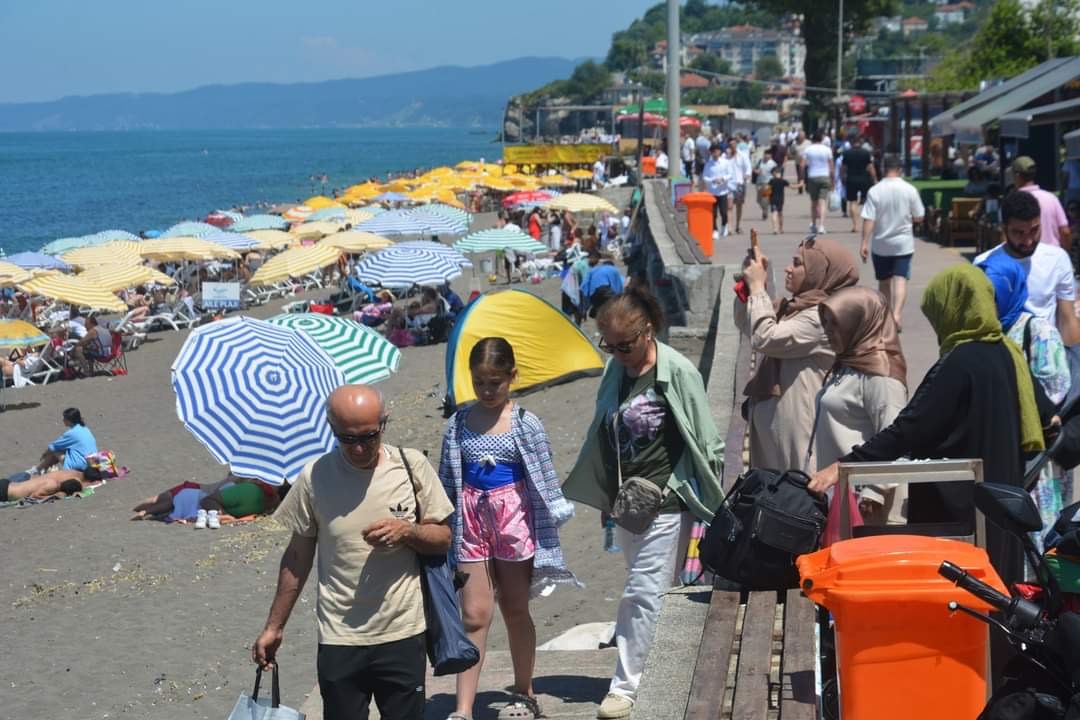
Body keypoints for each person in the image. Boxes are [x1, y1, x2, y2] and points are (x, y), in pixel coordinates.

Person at [808, 264, 1043, 589]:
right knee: (999, 596)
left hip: (963, 511)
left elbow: (909, 429)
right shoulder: (1005, 352)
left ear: (953, 308)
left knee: (967, 598)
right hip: (1002, 501)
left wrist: (846, 465)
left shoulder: (959, 364)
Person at [563, 286, 725, 720]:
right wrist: (604, 493)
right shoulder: (616, 373)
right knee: (649, 589)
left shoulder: (678, 372)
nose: (617, 353)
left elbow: (707, 441)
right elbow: (606, 434)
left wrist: (705, 498)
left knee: (641, 592)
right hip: (629, 503)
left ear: (648, 331)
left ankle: (626, 688)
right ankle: (658, 667)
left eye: (626, 345)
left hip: (670, 499)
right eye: (609, 345)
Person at [252, 385, 454, 720]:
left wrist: (409, 530)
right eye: (347, 438)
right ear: (331, 429)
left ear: (384, 424)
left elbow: (443, 537)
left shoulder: (411, 466)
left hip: (403, 631)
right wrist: (274, 626)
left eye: (368, 436)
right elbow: (297, 558)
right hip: (339, 636)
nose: (359, 447)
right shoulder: (315, 476)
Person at [439, 338, 577, 720]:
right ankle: (463, 708)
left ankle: (525, 690)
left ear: (511, 377)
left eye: (495, 382)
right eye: (480, 382)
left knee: (515, 609)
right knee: (475, 615)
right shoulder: (458, 424)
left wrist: (554, 514)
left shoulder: (525, 422)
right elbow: (447, 478)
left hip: (513, 521)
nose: (486, 390)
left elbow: (545, 475)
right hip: (471, 522)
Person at [736, 238, 858, 471]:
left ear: (819, 271)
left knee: (795, 498)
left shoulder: (821, 317)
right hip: (779, 433)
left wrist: (759, 289)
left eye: (797, 263)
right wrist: (748, 285)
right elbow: (748, 326)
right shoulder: (796, 307)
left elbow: (765, 337)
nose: (788, 268)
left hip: (801, 434)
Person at [978, 252, 1072, 547]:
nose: (986, 303)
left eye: (992, 295)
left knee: (1037, 539)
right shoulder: (981, 331)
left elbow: (1056, 391)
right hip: (999, 454)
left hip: (1038, 460)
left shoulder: (1038, 330)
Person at [812, 288, 909, 525]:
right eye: (825, 323)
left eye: (835, 324)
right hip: (841, 493)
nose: (827, 332)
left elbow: (895, 435)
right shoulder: (848, 364)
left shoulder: (881, 376)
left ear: (857, 323)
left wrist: (874, 492)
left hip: (868, 508)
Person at [975, 190, 1080, 345]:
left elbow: (1067, 319)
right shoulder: (985, 264)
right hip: (1005, 357)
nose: (1029, 240)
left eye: (1034, 230)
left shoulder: (1058, 259)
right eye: (1019, 233)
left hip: (1047, 359)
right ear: (1004, 228)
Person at [859, 154, 926, 331]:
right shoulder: (910, 190)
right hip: (903, 243)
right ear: (900, 169)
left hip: (881, 244)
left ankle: (886, 317)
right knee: (900, 279)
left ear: (883, 168)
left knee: (883, 282)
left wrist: (864, 242)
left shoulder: (875, 191)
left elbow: (869, 219)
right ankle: (897, 315)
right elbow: (919, 216)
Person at [1012, 156, 1072, 252]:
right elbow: (1065, 232)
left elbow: (1005, 237)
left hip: (1026, 259)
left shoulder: (1012, 202)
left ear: (1017, 176)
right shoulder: (1051, 198)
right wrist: (1065, 255)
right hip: (1053, 259)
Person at [32, 407, 98, 474]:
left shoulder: (71, 433)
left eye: (64, 418)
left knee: (56, 451)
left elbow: (53, 447)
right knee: (64, 449)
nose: (63, 420)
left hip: (81, 465)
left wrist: (44, 455)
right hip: (91, 462)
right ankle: (42, 468)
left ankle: (38, 469)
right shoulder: (84, 428)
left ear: (69, 420)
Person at [841, 136, 877, 234]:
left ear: (852, 143)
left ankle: (855, 225)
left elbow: (843, 167)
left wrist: (842, 178)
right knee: (866, 202)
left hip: (851, 179)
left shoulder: (847, 153)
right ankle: (866, 224)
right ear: (860, 142)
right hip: (864, 179)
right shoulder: (866, 153)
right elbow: (870, 167)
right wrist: (874, 178)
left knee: (852, 202)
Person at [801, 131, 834, 234]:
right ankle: (822, 226)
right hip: (824, 176)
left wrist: (802, 178)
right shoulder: (827, 150)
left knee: (814, 202)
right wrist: (833, 180)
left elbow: (802, 165)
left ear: (812, 139)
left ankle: (814, 224)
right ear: (822, 139)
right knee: (822, 202)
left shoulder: (808, 149)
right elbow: (831, 167)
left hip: (812, 177)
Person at [702, 142, 734, 237]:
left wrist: (723, 179)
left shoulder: (725, 162)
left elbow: (730, 174)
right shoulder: (708, 164)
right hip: (712, 192)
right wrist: (713, 180)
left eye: (717, 151)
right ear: (711, 153)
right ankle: (714, 230)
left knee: (724, 212)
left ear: (720, 152)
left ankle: (724, 225)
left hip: (723, 191)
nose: (715, 153)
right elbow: (705, 177)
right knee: (713, 213)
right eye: (713, 152)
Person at [0, 469, 86, 503]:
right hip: (6, 492)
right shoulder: (53, 486)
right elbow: (35, 495)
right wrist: (51, 497)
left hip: (8, 484)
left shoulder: (53, 481)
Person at [767, 165, 803, 234]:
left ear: (773, 173)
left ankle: (775, 229)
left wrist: (766, 195)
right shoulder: (783, 181)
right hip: (781, 200)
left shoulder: (771, 181)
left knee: (774, 213)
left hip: (773, 199)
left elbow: (767, 190)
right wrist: (800, 185)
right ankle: (781, 228)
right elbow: (792, 187)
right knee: (780, 214)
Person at [728, 142, 752, 234]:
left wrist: (747, 174)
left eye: (734, 145)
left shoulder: (742, 155)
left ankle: (738, 225)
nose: (732, 147)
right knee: (729, 206)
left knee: (739, 205)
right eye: (730, 146)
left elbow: (748, 166)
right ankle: (729, 227)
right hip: (729, 184)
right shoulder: (725, 156)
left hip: (739, 184)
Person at [755, 152, 778, 221]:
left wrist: (776, 180)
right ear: (763, 155)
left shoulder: (773, 163)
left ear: (770, 156)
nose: (767, 156)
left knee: (765, 199)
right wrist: (756, 171)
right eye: (765, 155)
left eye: (768, 155)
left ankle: (765, 212)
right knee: (758, 200)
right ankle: (765, 209)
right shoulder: (759, 161)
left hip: (768, 183)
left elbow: (776, 171)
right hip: (759, 182)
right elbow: (755, 168)